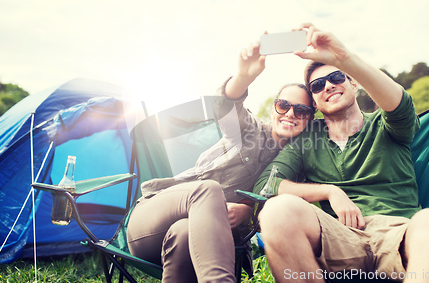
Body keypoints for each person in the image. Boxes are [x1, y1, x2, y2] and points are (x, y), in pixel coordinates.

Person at [253, 23, 429, 283]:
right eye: (318, 85)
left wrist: (345, 58)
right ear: (315, 103)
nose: (328, 86)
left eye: (336, 78)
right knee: (277, 211)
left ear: (354, 82)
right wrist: (329, 191)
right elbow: (267, 184)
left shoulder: (389, 124)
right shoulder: (307, 140)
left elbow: (400, 103)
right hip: (337, 236)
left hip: (398, 232)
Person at [126, 40, 314, 283]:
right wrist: (244, 77)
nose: (290, 114)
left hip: (194, 240)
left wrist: (249, 213)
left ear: (310, 118)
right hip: (150, 222)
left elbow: (284, 217)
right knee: (208, 191)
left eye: (301, 111)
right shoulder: (250, 130)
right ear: (273, 108)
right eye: (283, 105)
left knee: (183, 233)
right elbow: (226, 106)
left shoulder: (297, 168)